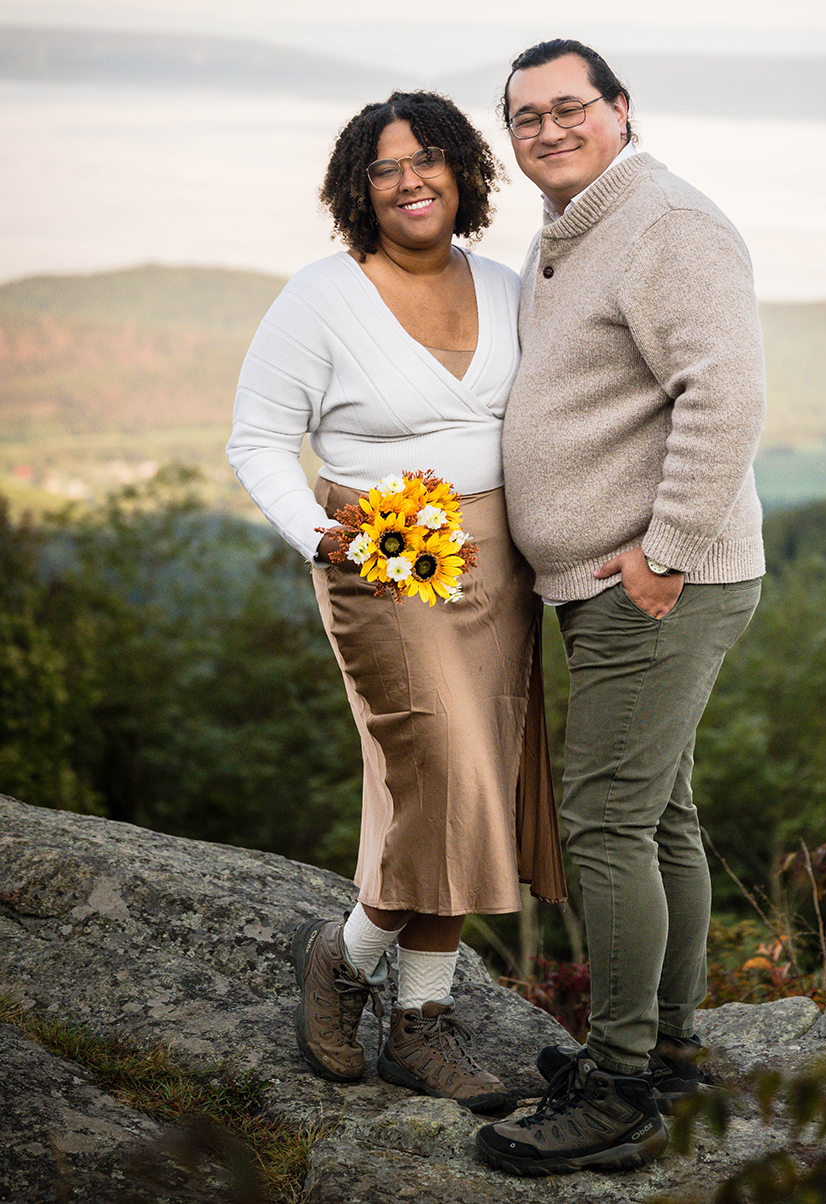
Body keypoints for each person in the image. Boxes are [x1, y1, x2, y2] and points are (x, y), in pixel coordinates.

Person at [227, 90, 565, 1114]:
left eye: (429, 158)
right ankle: (370, 977)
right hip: (379, 561)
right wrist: (317, 532)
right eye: (386, 166)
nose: (410, 178)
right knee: (443, 776)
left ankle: (392, 997)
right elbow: (255, 440)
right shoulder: (323, 295)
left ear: (462, 171)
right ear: (357, 189)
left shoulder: (508, 287)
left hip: (497, 567)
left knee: (482, 781)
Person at [476, 40, 766, 1176]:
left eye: (567, 108)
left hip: (654, 585)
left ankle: (618, 1088)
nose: (546, 130)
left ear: (619, 111)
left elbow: (727, 390)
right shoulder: (574, 229)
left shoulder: (664, 226)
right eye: (524, 117)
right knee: (659, 821)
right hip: (615, 581)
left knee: (603, 822)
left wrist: (665, 553)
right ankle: (673, 1051)